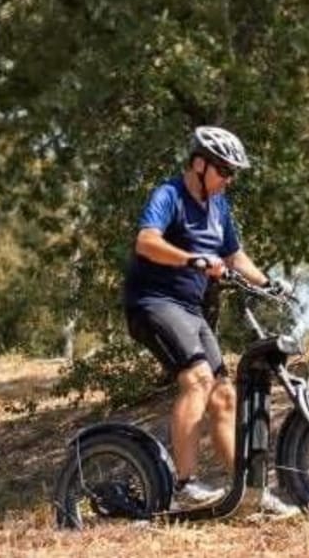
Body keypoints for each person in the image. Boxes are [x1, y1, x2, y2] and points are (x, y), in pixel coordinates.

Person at [123, 125, 293, 512]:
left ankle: (247, 493)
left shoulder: (219, 207)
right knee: (197, 379)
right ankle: (183, 487)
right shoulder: (170, 195)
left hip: (189, 309)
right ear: (200, 164)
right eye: (224, 170)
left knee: (224, 395)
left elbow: (234, 256)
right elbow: (146, 241)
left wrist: (269, 283)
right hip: (153, 302)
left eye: (233, 173)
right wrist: (192, 259)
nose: (229, 180)